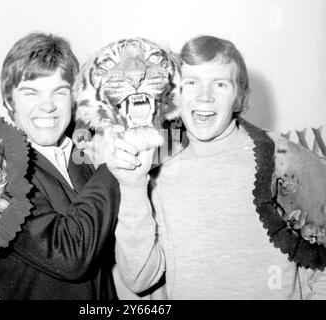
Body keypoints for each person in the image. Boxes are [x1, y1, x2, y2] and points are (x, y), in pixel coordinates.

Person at [110, 35, 326, 299]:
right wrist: (132, 186)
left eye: (220, 84)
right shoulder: (158, 172)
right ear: (174, 95)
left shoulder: (284, 158)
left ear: (238, 96)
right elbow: (139, 279)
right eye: (191, 83)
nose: (204, 96)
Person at [0, 32, 122, 300]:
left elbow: (104, 246)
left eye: (59, 92)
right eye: (31, 93)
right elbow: (72, 255)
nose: (48, 106)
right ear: (10, 101)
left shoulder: (75, 157)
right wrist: (112, 166)